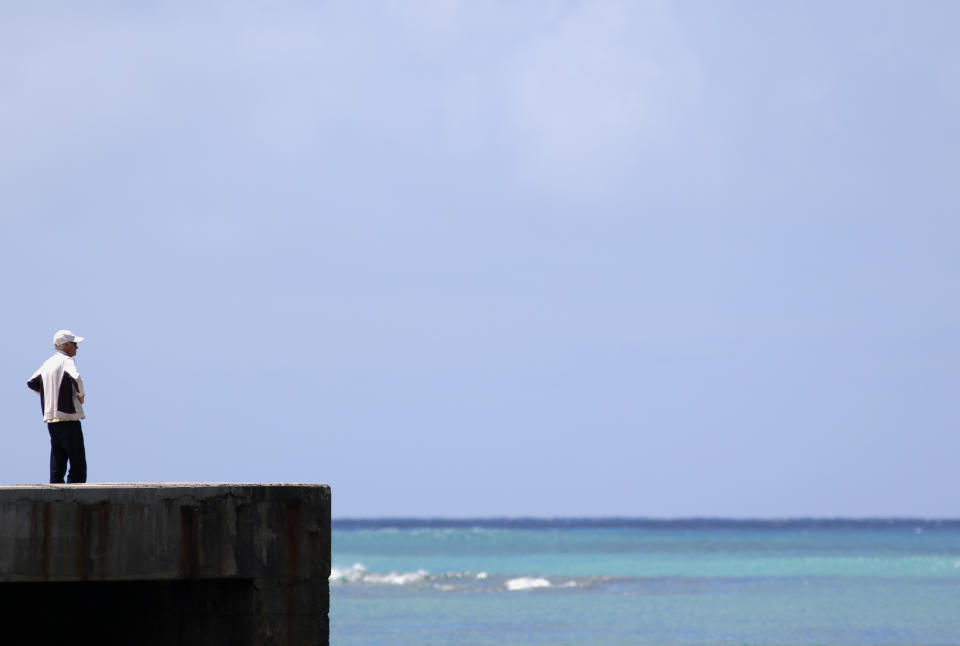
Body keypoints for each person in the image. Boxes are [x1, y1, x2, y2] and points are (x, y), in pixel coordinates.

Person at [27, 329, 88, 483]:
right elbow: (76, 377)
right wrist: (81, 395)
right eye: (74, 344)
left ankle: (56, 488)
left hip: (51, 418)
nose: (76, 347)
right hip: (68, 417)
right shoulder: (66, 360)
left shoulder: (48, 363)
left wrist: (48, 395)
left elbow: (32, 382)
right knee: (77, 461)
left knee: (58, 456)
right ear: (65, 345)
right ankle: (75, 491)